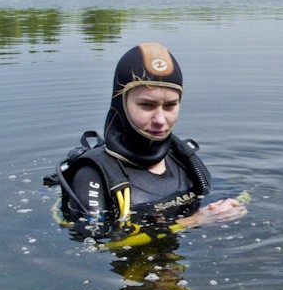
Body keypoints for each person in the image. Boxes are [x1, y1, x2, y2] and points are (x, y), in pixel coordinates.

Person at [53, 42, 247, 236]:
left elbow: (240, 194)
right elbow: (98, 240)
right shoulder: (94, 174)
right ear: (121, 103)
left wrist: (232, 207)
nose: (160, 120)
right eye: (147, 105)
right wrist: (193, 221)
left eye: (170, 105)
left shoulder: (182, 158)